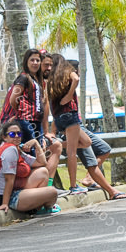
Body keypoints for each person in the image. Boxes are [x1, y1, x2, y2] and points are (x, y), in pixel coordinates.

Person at [0, 121, 59, 213]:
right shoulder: (10, 150)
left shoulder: (16, 148)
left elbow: (42, 163)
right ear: (4, 137)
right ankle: (42, 206)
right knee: (52, 192)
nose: (16, 136)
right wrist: (4, 204)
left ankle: (39, 208)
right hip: (2, 197)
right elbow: (9, 180)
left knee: (42, 172)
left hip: (14, 191)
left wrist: (36, 144)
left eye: (19, 134)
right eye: (12, 134)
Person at [46, 55, 89, 194]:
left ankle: (55, 145)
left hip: (58, 118)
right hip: (70, 114)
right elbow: (76, 79)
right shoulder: (68, 72)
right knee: (72, 153)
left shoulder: (51, 79)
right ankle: (73, 186)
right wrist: (69, 95)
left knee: (86, 142)